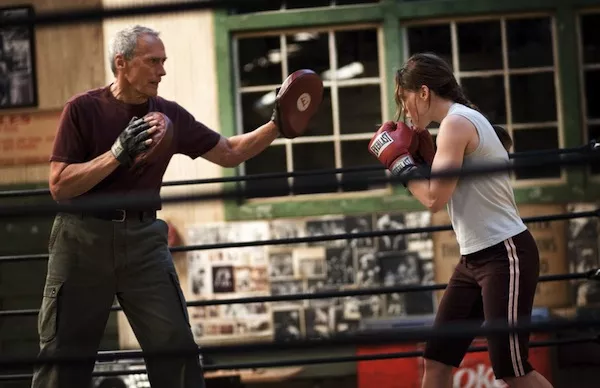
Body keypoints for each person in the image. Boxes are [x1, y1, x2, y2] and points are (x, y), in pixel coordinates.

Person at [33, 25, 284, 388]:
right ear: (122, 63)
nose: (162, 71)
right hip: (82, 239)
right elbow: (60, 185)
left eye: (163, 62)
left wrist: (277, 124)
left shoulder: (170, 115)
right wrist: (118, 154)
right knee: (63, 356)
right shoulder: (83, 109)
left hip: (144, 241)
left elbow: (230, 152)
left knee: (176, 348)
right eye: (153, 61)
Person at [368, 52, 553, 388]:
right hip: (474, 260)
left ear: (423, 93)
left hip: (504, 253)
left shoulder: (456, 123)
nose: (403, 110)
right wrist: (423, 161)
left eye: (403, 98)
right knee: (437, 359)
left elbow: (434, 199)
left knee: (512, 368)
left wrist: (399, 163)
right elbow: (448, 188)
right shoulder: (458, 123)